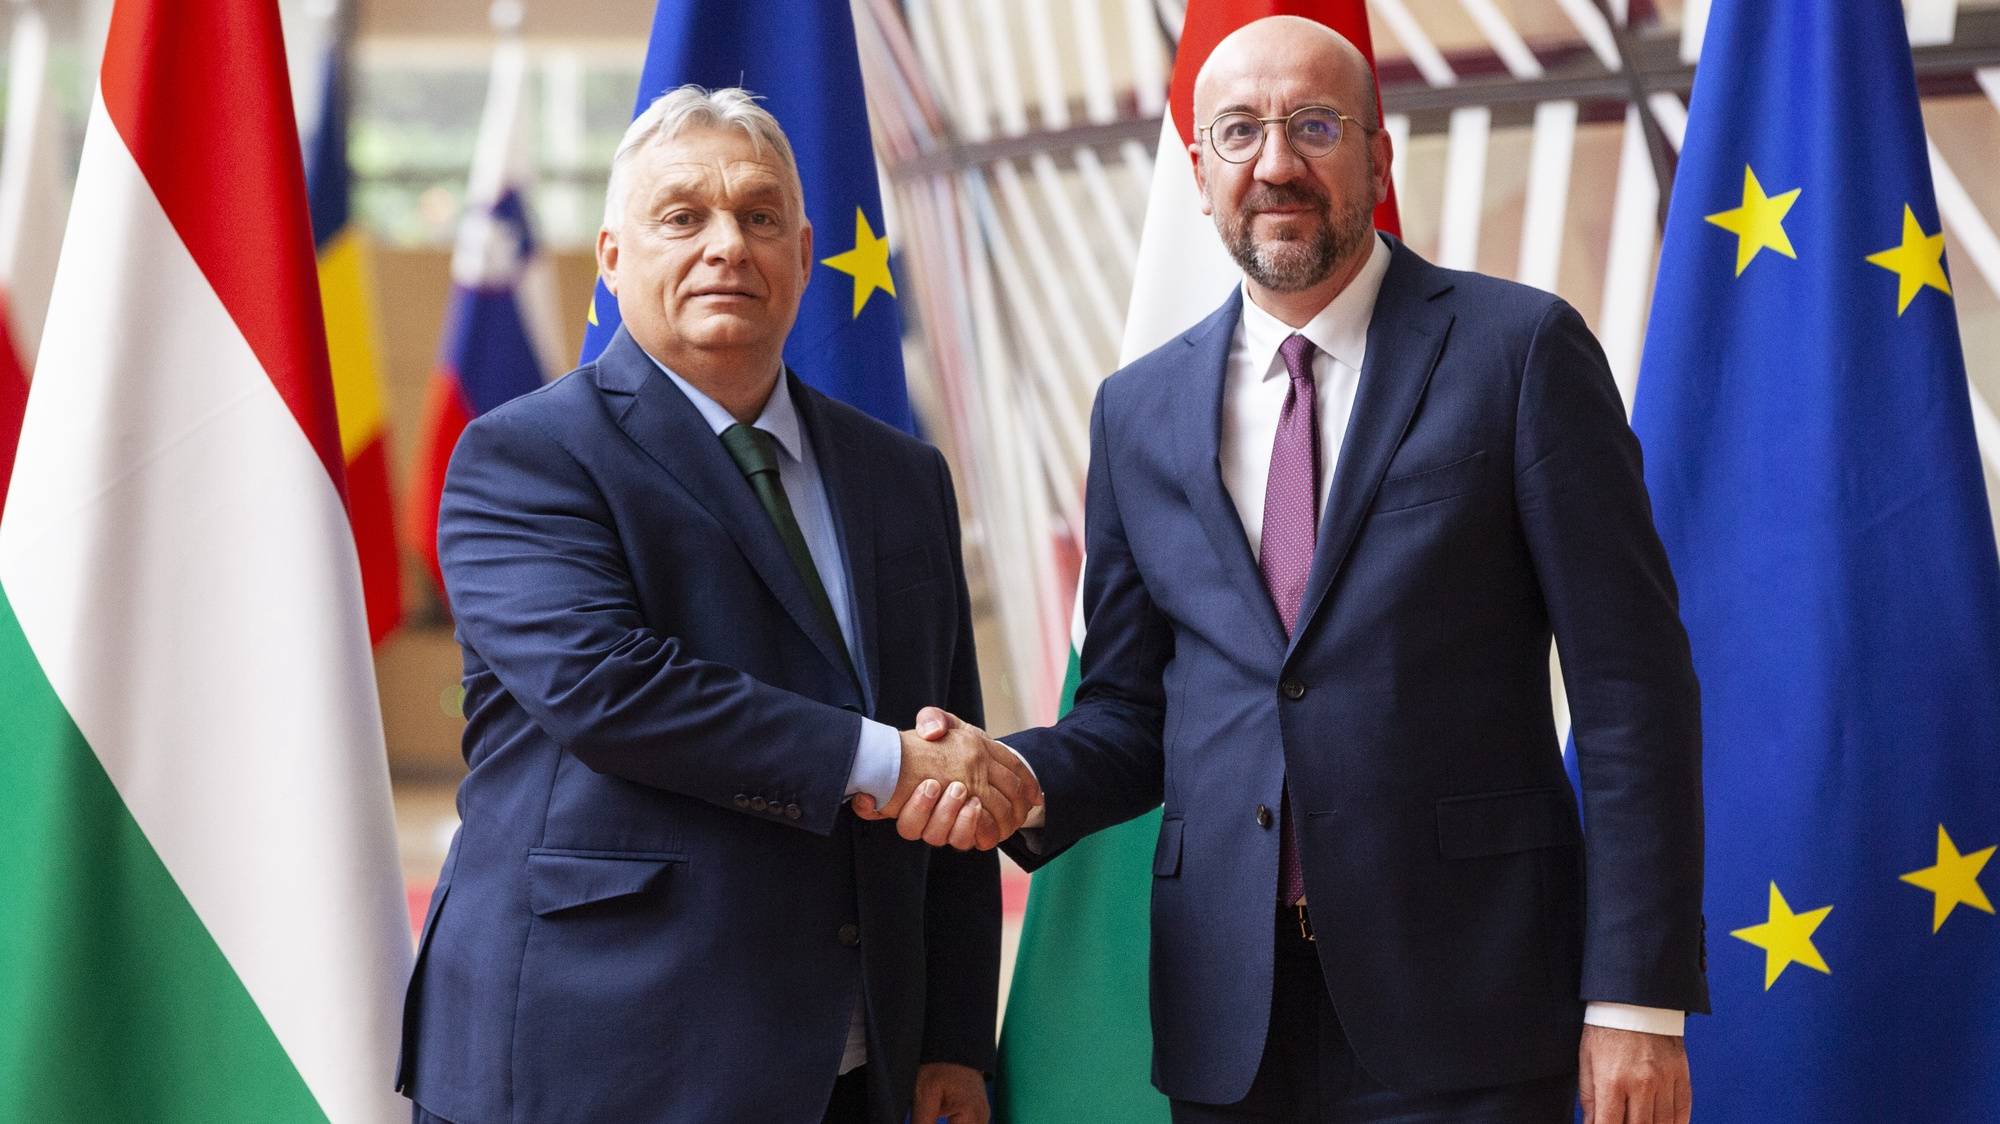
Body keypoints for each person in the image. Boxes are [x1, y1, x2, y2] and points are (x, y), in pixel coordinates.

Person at [870, 16, 1706, 1123]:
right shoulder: (1137, 411)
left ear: (1375, 151)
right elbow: (1129, 708)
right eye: (1238, 131)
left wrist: (1635, 999)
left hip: (1472, 1000)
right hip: (1232, 1017)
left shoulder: (1519, 353)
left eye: (1312, 125)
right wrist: (1022, 778)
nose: (1274, 162)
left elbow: (1628, 689)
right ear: (1201, 168)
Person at [396, 86, 1039, 1124]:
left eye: (759, 215)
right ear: (612, 254)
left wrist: (951, 1036)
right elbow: (610, 690)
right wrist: (886, 760)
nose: (726, 245)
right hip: (597, 1056)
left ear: (803, 249)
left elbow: (943, 738)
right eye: (682, 215)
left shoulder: (900, 475)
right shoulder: (525, 456)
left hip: (853, 1065)